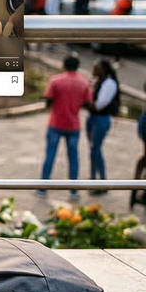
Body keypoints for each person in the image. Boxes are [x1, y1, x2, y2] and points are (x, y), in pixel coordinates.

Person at [40, 55, 91, 199]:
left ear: (63, 65)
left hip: (56, 123)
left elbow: (48, 99)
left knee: (50, 155)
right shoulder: (83, 83)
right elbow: (87, 102)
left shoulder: (56, 81)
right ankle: (73, 190)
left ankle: (43, 187)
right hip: (73, 125)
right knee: (73, 158)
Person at [86, 59, 120, 193]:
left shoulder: (109, 84)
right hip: (93, 118)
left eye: (96, 68)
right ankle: (95, 179)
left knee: (95, 150)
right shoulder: (97, 81)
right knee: (94, 150)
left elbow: (100, 104)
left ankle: (100, 181)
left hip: (101, 119)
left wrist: (87, 102)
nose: (93, 70)